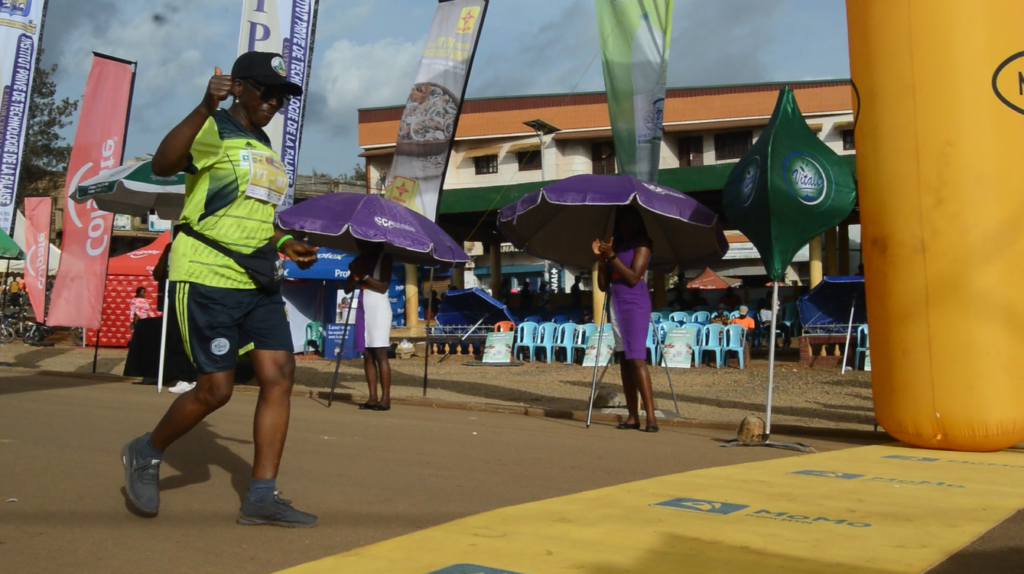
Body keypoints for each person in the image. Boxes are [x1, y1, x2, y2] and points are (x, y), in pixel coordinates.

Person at [119, 52, 319, 527]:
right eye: (266, 92)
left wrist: (286, 241)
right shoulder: (214, 127)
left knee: (279, 376)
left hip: (257, 277)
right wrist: (203, 106)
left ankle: (261, 497)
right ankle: (145, 452)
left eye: (281, 97)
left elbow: (253, 214)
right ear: (240, 87)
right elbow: (165, 164)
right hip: (207, 275)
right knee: (216, 391)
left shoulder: (264, 144)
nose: (274, 102)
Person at [594, 205, 659, 433]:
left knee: (637, 358)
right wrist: (602, 259)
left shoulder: (643, 243)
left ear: (638, 222)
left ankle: (650, 415)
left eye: (632, 221)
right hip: (616, 303)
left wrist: (611, 255)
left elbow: (632, 277)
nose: (627, 225)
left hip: (635, 302)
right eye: (623, 221)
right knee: (623, 358)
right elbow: (603, 284)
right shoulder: (616, 244)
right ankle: (633, 415)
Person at [344, 240, 394, 411]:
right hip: (362, 306)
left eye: (363, 244)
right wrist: (354, 274)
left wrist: (363, 275)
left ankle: (385, 399)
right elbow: (347, 289)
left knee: (380, 353)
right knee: (367, 354)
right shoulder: (359, 260)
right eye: (358, 244)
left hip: (378, 307)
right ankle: (372, 397)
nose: (360, 247)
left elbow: (383, 287)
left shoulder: (385, 257)